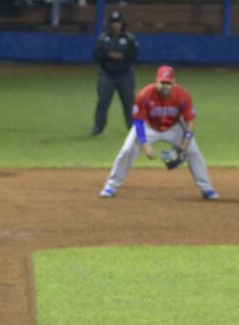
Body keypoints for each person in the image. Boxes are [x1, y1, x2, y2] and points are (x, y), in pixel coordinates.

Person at [100, 65, 218, 200]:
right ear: (156, 81)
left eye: (168, 83)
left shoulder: (183, 96)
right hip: (148, 127)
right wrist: (145, 144)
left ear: (174, 83)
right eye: (162, 82)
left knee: (193, 152)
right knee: (127, 150)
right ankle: (111, 186)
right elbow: (138, 122)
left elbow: (190, 122)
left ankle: (206, 188)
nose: (165, 86)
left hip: (174, 127)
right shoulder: (145, 94)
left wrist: (183, 147)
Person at [91, 10, 140, 136]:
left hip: (125, 75)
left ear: (122, 23)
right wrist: (109, 55)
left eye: (118, 22)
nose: (116, 25)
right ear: (110, 24)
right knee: (103, 102)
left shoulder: (129, 38)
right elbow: (97, 55)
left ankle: (133, 129)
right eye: (113, 22)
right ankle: (98, 127)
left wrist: (122, 56)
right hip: (107, 74)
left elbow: (134, 54)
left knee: (129, 103)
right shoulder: (103, 38)